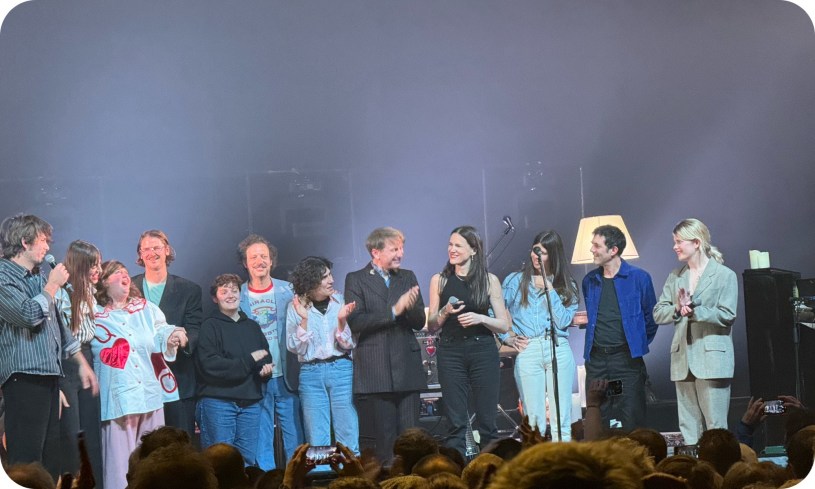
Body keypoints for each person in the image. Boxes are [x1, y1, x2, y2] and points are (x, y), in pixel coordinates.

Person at [0, 214, 98, 479]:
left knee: (50, 459)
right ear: (24, 241)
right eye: (43, 240)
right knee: (28, 459)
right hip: (24, 378)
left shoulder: (37, 277)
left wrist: (82, 363)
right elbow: (28, 314)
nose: (47, 247)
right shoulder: (3, 276)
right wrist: (53, 285)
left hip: (49, 377)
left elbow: (57, 324)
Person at [92, 259, 188, 489]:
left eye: (126, 272)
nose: (125, 276)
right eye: (117, 273)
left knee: (153, 460)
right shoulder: (94, 314)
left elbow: (162, 328)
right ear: (104, 282)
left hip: (149, 395)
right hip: (118, 400)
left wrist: (173, 334)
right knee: (120, 466)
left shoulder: (144, 308)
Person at [344, 227, 426, 463]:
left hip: (406, 367)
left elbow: (419, 321)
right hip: (376, 368)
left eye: (401, 248)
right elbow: (356, 322)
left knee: (413, 437)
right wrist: (394, 311)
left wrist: (408, 308)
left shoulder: (407, 276)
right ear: (375, 252)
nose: (400, 254)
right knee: (386, 438)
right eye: (394, 249)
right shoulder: (356, 279)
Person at [426, 225, 510, 457]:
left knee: (487, 421)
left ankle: (490, 473)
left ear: (473, 250)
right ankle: (457, 473)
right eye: (450, 245)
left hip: (482, 349)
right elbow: (432, 325)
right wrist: (445, 311)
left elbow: (503, 324)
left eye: (458, 246)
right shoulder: (440, 280)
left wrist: (480, 317)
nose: (452, 250)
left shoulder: (489, 280)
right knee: (456, 423)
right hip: (451, 351)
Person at [653, 218, 738, 445]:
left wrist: (694, 312)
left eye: (679, 241)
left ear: (697, 242)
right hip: (682, 360)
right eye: (674, 241)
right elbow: (658, 312)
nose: (675, 246)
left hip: (711, 359)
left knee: (716, 428)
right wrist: (679, 309)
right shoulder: (676, 276)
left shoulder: (724, 275)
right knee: (689, 427)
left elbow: (727, 315)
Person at [501, 230, 578, 441]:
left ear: (552, 255)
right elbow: (494, 311)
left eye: (542, 253)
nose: (536, 257)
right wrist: (507, 337)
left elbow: (563, 321)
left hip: (558, 346)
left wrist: (550, 289)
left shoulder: (566, 284)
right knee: (532, 420)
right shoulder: (515, 281)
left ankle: (562, 464)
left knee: (561, 417)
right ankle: (535, 464)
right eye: (535, 251)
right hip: (529, 347)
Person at [581, 224, 658, 432]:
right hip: (597, 361)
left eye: (597, 246)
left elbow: (651, 319)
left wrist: (635, 342)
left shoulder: (639, 278)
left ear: (613, 250)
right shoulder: (590, 281)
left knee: (631, 415)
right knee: (599, 415)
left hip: (625, 361)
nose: (592, 250)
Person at [237, 233, 303, 469]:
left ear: (272, 261)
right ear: (245, 263)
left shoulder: (290, 291)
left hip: (286, 375)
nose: (259, 261)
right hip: (256, 378)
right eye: (253, 257)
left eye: (264, 256)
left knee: (294, 435)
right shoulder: (237, 295)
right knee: (259, 437)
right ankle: (265, 480)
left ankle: (296, 480)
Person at [195, 273, 273, 465]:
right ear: (215, 297)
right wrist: (249, 361)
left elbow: (265, 356)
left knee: (245, 463)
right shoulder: (209, 326)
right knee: (218, 463)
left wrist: (265, 370)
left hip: (250, 404)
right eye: (224, 291)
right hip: (218, 403)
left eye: (234, 290)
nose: (230, 295)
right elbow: (211, 366)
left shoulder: (253, 327)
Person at [132, 229, 202, 440]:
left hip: (178, 378)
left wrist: (181, 339)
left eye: (157, 248)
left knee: (181, 444)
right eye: (147, 249)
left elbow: (195, 329)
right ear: (140, 254)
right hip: (140, 381)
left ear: (167, 251)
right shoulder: (130, 287)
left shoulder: (189, 289)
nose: (152, 253)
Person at [287, 256, 359, 453]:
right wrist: (303, 319)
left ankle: (352, 471)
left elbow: (349, 343)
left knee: (347, 427)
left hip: (341, 368)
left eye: (330, 275)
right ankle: (321, 476)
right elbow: (295, 347)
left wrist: (342, 321)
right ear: (311, 282)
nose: (332, 280)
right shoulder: (295, 307)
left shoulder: (340, 301)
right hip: (311, 372)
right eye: (325, 277)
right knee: (317, 433)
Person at [55, 240, 104, 480]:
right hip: (67, 363)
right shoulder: (63, 294)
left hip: (87, 358)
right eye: (92, 265)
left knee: (92, 431)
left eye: (98, 265)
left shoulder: (92, 296)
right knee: (71, 434)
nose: (97, 270)